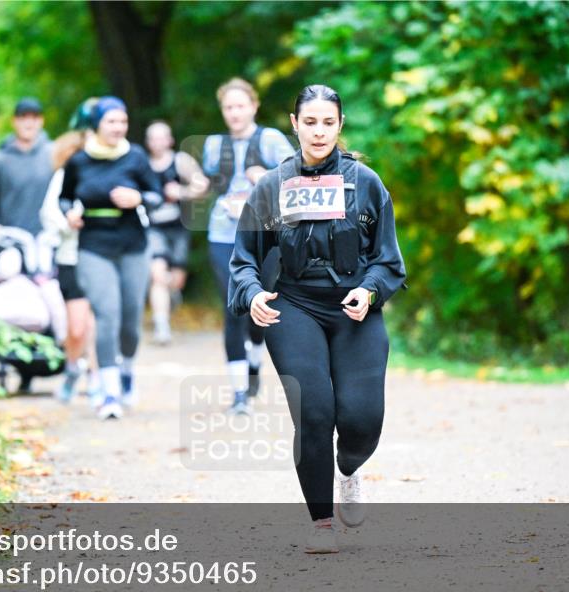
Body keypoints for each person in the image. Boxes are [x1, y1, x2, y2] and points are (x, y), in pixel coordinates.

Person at [228, 84, 407, 554]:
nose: (319, 131)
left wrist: (369, 291)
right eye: (310, 122)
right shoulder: (271, 186)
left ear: (340, 125)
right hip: (295, 307)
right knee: (315, 411)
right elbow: (243, 259)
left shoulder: (366, 183)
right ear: (294, 125)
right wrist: (252, 294)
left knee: (361, 418)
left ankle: (349, 468)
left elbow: (388, 260)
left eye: (329, 122)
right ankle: (321, 523)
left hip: (355, 308)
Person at [59, 96, 163, 420]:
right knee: (107, 314)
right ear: (97, 125)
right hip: (93, 245)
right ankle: (109, 393)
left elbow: (157, 195)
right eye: (111, 122)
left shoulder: (136, 157)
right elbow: (65, 198)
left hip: (133, 243)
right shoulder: (79, 161)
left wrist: (139, 198)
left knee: (130, 319)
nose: (118, 127)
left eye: (123, 121)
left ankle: (127, 370)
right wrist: (70, 214)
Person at [201, 78, 294, 415]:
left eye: (241, 106)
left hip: (263, 234)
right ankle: (239, 392)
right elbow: (208, 181)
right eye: (228, 107)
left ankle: (255, 362)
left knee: (260, 309)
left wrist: (266, 175)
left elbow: (294, 176)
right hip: (223, 233)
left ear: (253, 107)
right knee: (233, 307)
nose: (235, 113)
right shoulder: (213, 144)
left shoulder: (269, 139)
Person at [41, 99, 102, 405]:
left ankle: (98, 378)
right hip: (72, 257)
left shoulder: (119, 168)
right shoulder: (69, 171)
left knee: (98, 322)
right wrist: (68, 222)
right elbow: (49, 211)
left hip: (105, 254)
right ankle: (72, 369)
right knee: (77, 327)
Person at [145, 121, 210, 345]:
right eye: (153, 138)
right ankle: (162, 326)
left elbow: (202, 186)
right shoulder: (142, 164)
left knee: (175, 281)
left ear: (170, 140)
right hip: (152, 228)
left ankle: (171, 298)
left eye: (162, 137)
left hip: (177, 227)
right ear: (148, 142)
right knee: (157, 275)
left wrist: (181, 191)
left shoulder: (180, 161)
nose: (157, 142)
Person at [0, 97, 54, 236]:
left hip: (48, 241)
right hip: (10, 240)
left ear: (41, 121)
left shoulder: (55, 155)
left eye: (34, 118)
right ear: (14, 121)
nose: (29, 124)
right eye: (23, 117)